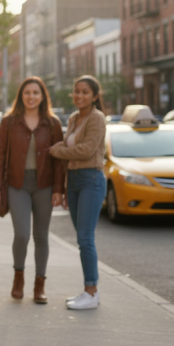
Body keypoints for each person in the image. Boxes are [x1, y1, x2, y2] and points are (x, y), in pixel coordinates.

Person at [0, 77, 64, 304]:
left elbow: (60, 160)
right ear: (21, 96)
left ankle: (39, 284)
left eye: (36, 93)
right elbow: (0, 154)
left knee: (41, 236)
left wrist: (59, 189)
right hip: (17, 184)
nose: (31, 97)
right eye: (27, 93)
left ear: (43, 97)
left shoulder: (52, 123)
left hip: (45, 184)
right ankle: (18, 276)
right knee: (21, 234)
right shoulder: (9, 122)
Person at [49, 75, 107, 311]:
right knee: (81, 237)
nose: (79, 96)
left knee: (85, 238)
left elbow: (86, 150)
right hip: (73, 180)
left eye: (85, 92)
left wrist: (57, 151)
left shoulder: (97, 118)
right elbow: (68, 150)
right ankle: (87, 290)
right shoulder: (74, 118)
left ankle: (91, 292)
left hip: (91, 179)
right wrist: (62, 188)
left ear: (94, 96)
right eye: (76, 91)